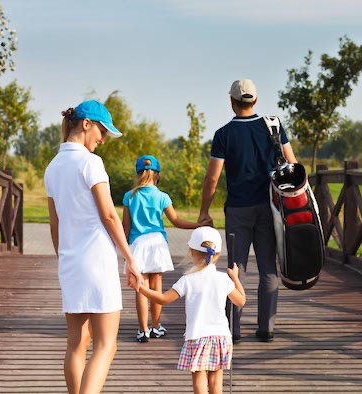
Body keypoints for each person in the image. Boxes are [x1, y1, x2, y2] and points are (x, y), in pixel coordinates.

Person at [44, 100, 142, 394]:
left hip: (70, 263)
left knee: (76, 343)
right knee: (105, 344)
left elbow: (54, 224)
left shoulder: (52, 167)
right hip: (97, 261)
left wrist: (64, 258)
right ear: (86, 124)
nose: (102, 139)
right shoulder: (90, 163)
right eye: (101, 130)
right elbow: (110, 216)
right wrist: (130, 259)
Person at [198, 79, 297, 343]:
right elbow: (293, 163)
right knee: (267, 268)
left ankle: (233, 329)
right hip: (269, 207)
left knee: (236, 267)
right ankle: (266, 329)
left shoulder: (223, 135)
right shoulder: (273, 127)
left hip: (238, 209)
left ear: (231, 101)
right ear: (255, 101)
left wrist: (204, 211)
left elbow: (212, 179)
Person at [137, 226, 246, 394]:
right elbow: (241, 301)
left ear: (192, 252)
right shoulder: (223, 279)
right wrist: (235, 279)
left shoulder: (187, 279)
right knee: (216, 382)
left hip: (197, 336)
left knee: (199, 380)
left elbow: (163, 299)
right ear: (217, 255)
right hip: (220, 336)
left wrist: (141, 288)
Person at [122, 154, 204, 343]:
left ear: (137, 174)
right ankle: (156, 326)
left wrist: (122, 247)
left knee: (140, 287)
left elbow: (125, 227)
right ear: (157, 175)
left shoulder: (129, 196)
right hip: (157, 244)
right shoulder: (162, 197)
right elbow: (176, 221)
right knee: (156, 286)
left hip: (138, 244)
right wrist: (198, 225)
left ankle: (143, 330)